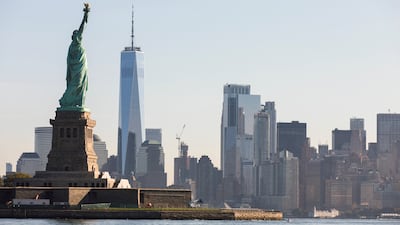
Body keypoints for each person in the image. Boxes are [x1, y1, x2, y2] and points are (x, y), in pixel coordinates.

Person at [59, 3, 90, 110]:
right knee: (74, 84)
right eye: (76, 34)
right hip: (74, 69)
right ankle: (66, 101)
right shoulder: (72, 46)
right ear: (73, 37)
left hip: (81, 67)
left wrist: (86, 14)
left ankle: (75, 101)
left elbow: (83, 26)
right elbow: (82, 27)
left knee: (80, 84)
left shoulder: (76, 44)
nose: (78, 35)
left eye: (78, 34)